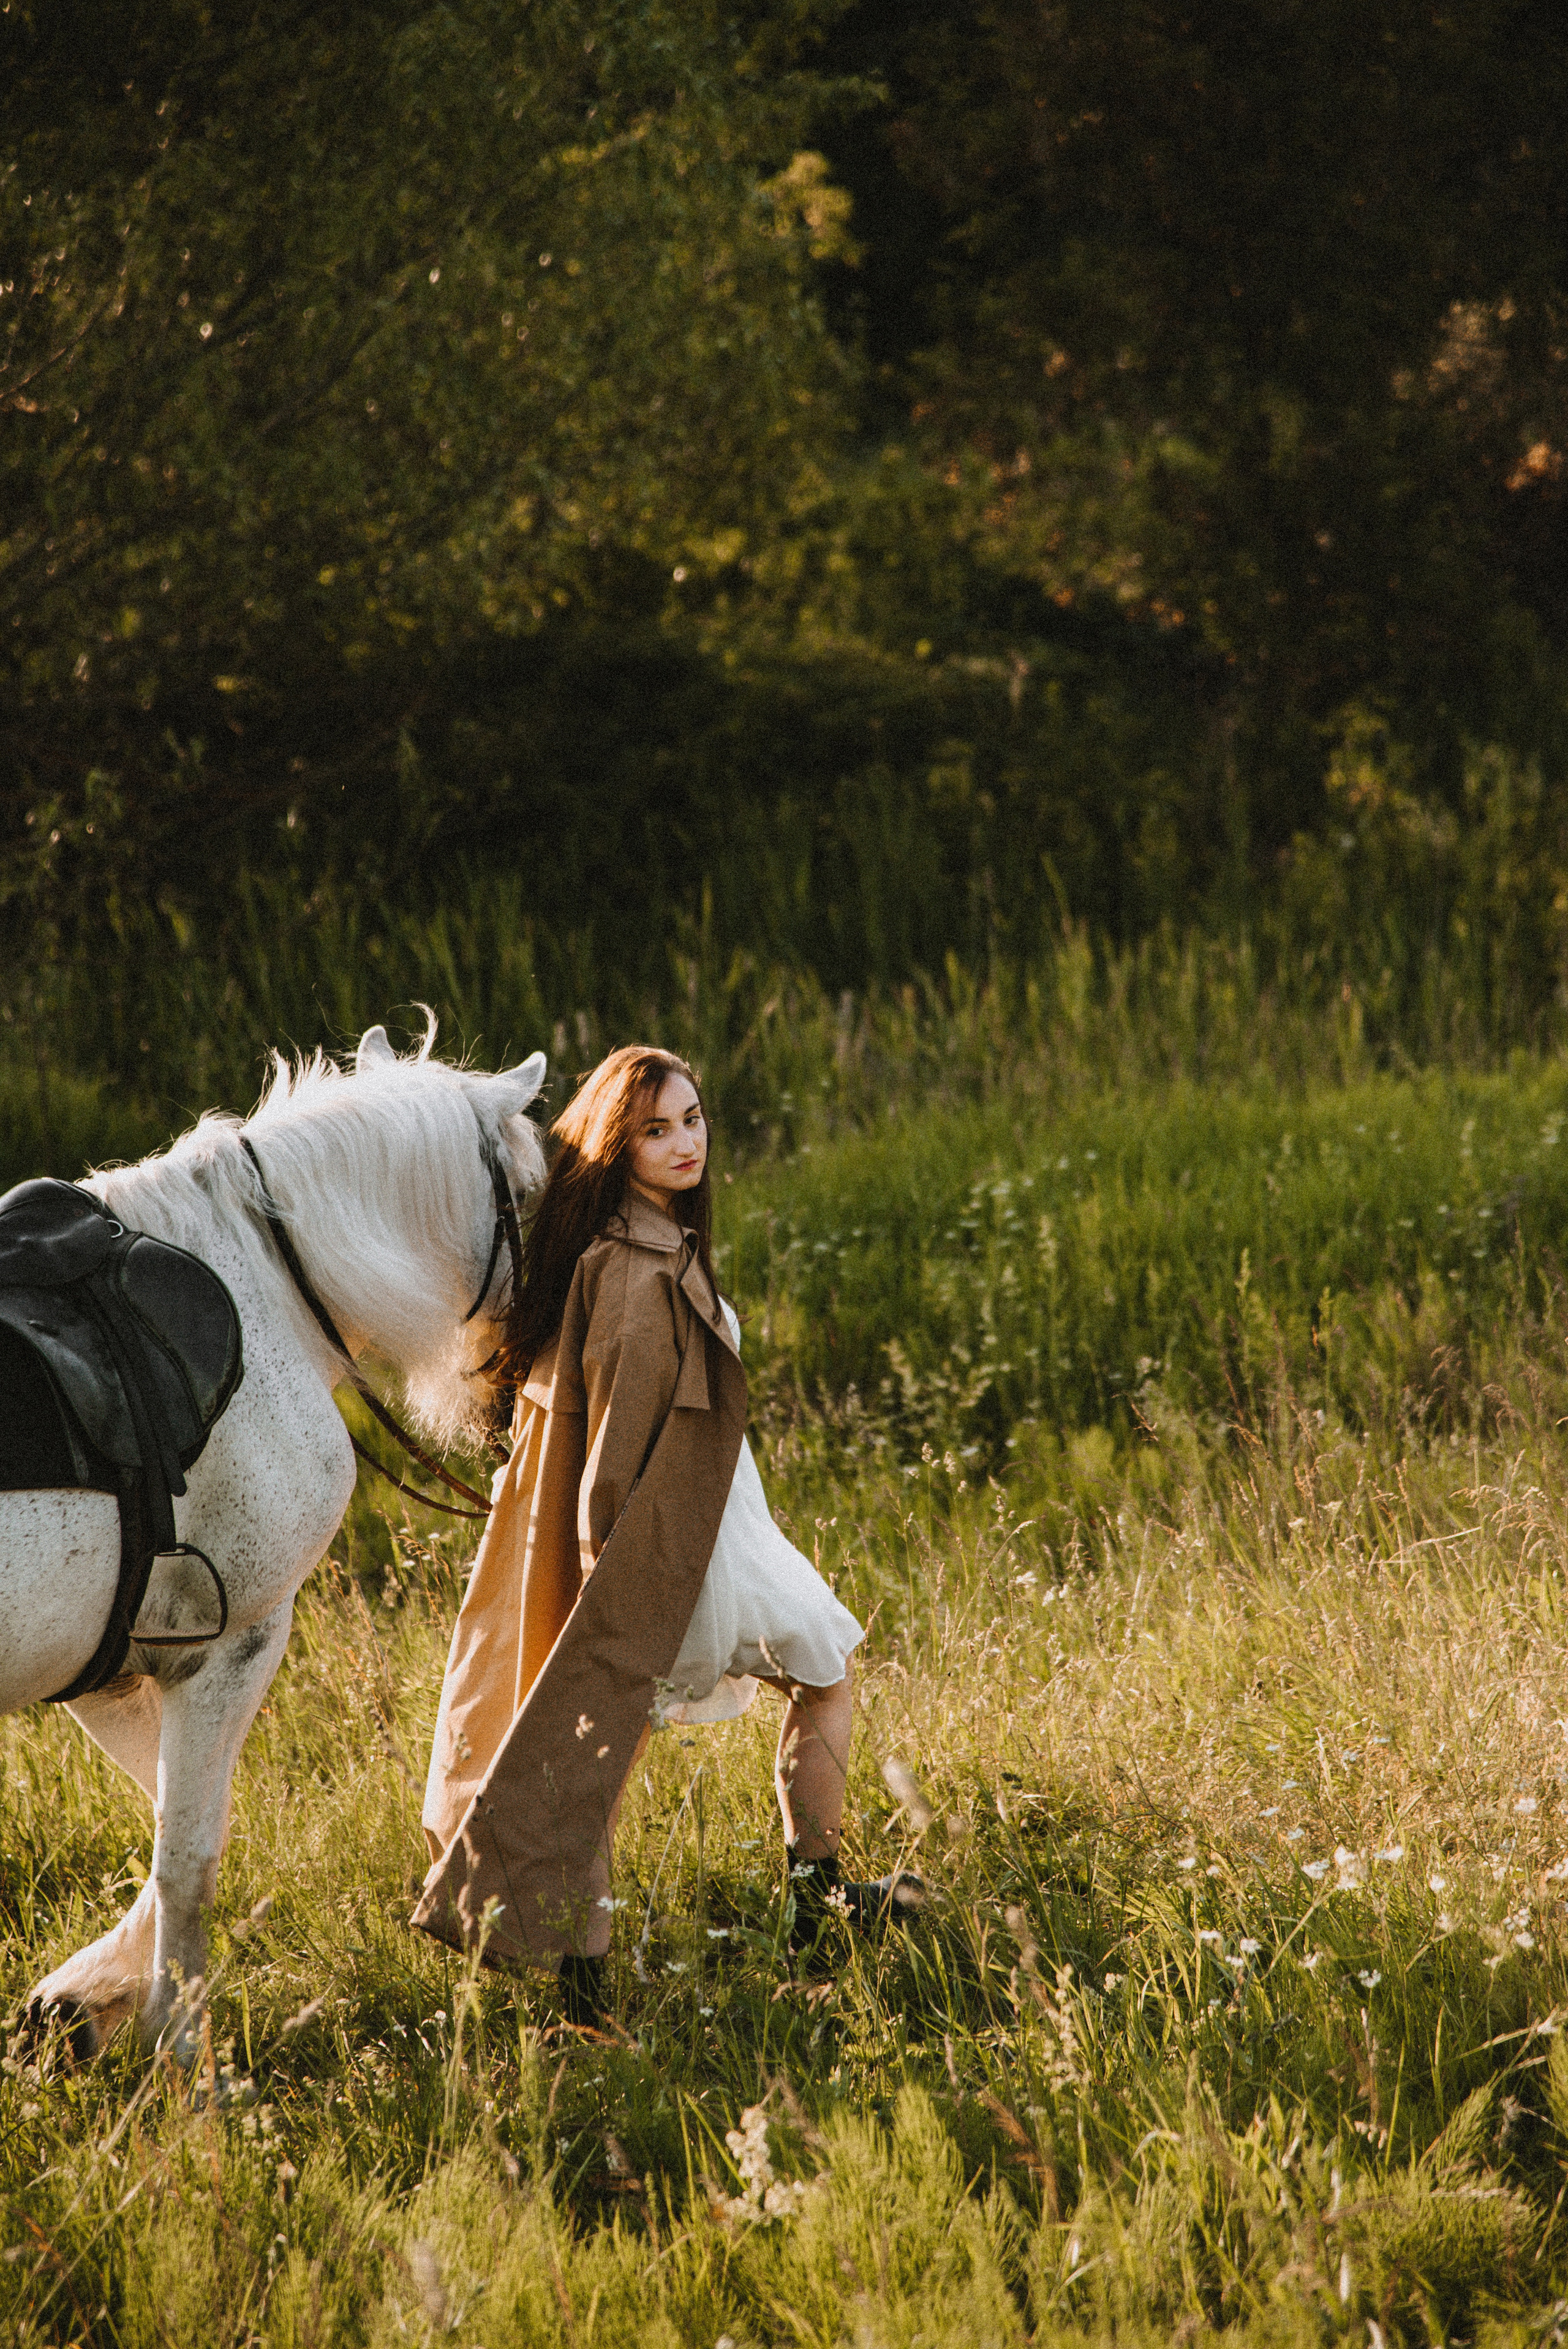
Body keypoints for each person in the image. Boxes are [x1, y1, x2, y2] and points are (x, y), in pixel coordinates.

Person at [412, 1045, 907, 2022]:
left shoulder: (642, 1238)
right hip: (673, 1541)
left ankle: (809, 1910)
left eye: (692, 1118)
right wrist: (611, 1593)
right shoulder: (634, 1271)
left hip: (717, 1520)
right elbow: (613, 1445)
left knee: (808, 1675)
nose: (685, 1143)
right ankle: (594, 1997)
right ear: (617, 1144)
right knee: (601, 1766)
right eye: (655, 1129)